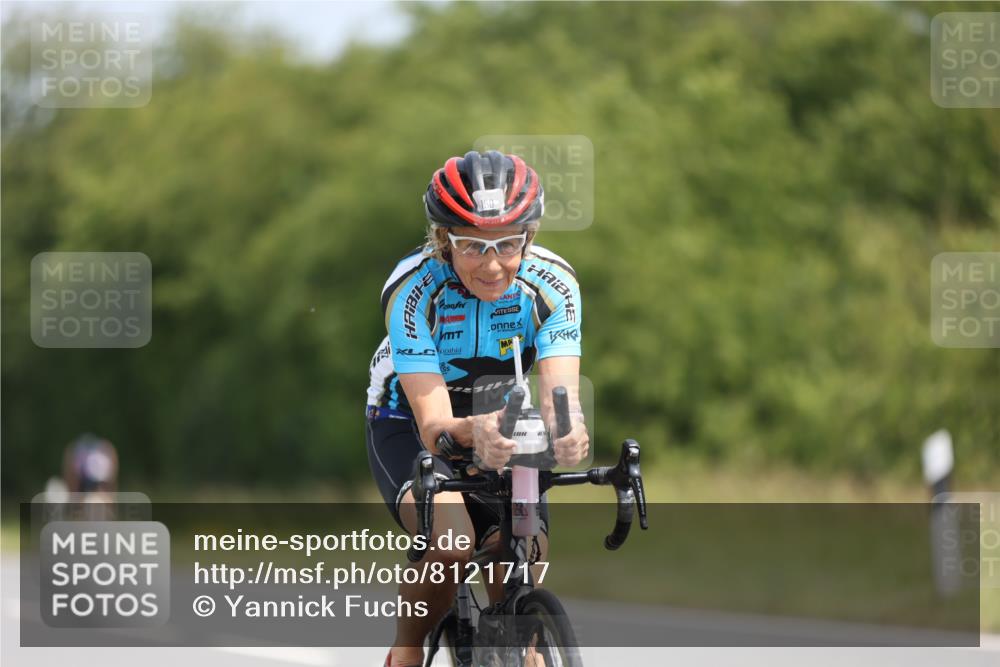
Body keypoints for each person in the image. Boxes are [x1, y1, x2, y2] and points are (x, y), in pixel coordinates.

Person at [366, 150, 589, 667]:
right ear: (444, 241)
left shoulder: (555, 287)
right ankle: (406, 652)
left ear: (528, 238)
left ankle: (524, 648)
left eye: (507, 245)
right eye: (472, 247)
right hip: (405, 416)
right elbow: (435, 428)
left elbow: (561, 396)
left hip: (501, 411)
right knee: (451, 544)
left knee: (523, 546)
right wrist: (471, 433)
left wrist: (570, 429)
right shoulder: (413, 290)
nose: (492, 265)